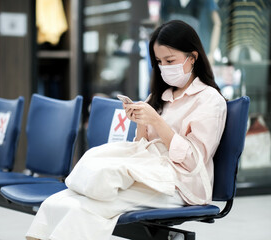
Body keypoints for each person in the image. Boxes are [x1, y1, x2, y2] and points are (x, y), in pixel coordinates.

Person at [25, 20, 227, 240]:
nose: (165, 67)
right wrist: (141, 122)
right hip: (149, 171)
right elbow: (140, 149)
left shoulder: (210, 101)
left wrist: (158, 122)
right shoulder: (162, 95)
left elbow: (193, 161)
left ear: (193, 57)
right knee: (60, 201)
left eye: (170, 60)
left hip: (180, 185)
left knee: (89, 205)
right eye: (159, 62)